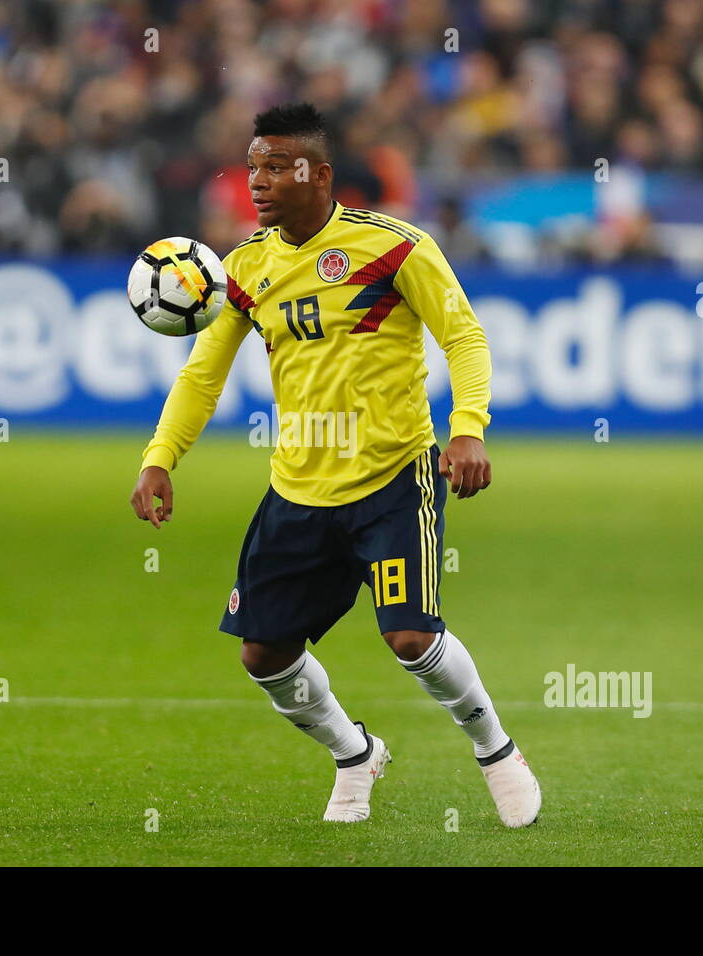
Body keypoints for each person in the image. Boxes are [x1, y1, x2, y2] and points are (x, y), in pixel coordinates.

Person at [129, 103, 540, 827]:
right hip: (298, 486)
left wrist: (468, 429)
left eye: (275, 167)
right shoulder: (245, 269)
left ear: (318, 174)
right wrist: (160, 459)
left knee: (411, 636)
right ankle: (356, 754)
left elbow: (465, 338)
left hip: (392, 476)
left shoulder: (395, 248)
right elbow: (203, 375)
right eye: (252, 166)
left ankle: (495, 749)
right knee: (263, 656)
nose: (257, 181)